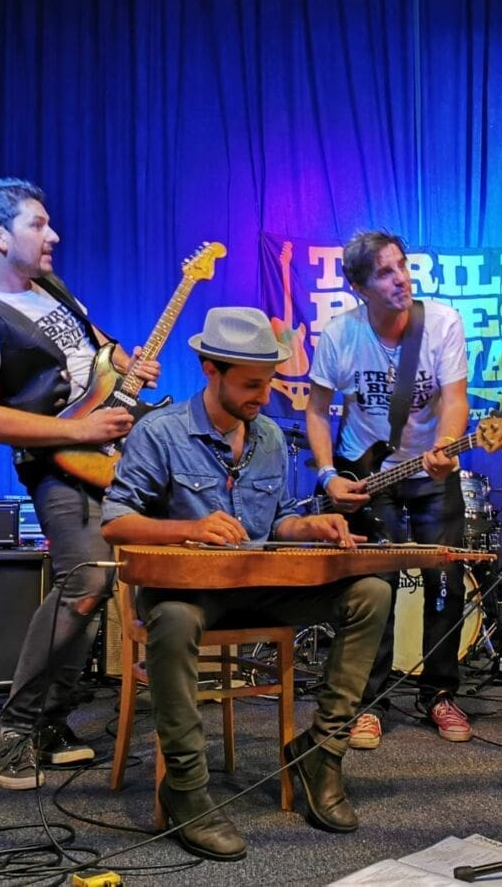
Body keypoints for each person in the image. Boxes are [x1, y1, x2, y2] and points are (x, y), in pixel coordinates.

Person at [101, 306, 390, 862]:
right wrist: (189, 529)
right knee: (174, 620)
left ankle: (322, 752)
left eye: (269, 382)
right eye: (252, 384)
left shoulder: (271, 438)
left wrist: (312, 526)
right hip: (188, 594)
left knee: (370, 592)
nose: (264, 395)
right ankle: (186, 786)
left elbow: (280, 521)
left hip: (257, 587)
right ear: (211, 370)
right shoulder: (159, 433)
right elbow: (115, 523)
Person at [0, 177, 161, 791]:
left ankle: (53, 722)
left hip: (110, 449)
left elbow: (94, 350)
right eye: (37, 224)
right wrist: (81, 432)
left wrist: (128, 362)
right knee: (84, 582)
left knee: (105, 583)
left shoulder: (49, 287)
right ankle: (16, 727)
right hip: (57, 464)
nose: (53, 234)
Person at [305, 229, 473, 749]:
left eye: (401, 265)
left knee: (444, 583)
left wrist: (446, 446)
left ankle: (439, 693)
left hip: (429, 472)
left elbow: (456, 399)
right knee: (376, 588)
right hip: (367, 476)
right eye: (384, 272)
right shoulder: (340, 335)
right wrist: (328, 474)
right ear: (359, 287)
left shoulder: (441, 323)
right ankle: (369, 703)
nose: (400, 278)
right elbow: (316, 410)